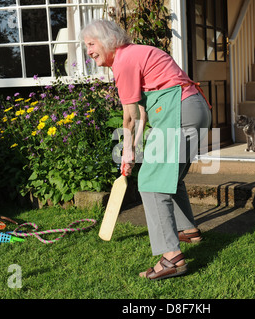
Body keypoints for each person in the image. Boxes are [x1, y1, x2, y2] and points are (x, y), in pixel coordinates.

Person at [81, 20, 212, 280]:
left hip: (179, 112)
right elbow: (142, 112)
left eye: (91, 44)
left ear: (107, 41)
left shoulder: (124, 60)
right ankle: (187, 230)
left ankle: (171, 258)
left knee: (152, 183)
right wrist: (134, 150)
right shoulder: (138, 53)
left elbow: (128, 116)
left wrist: (126, 150)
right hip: (194, 109)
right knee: (169, 176)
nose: (89, 51)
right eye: (86, 46)